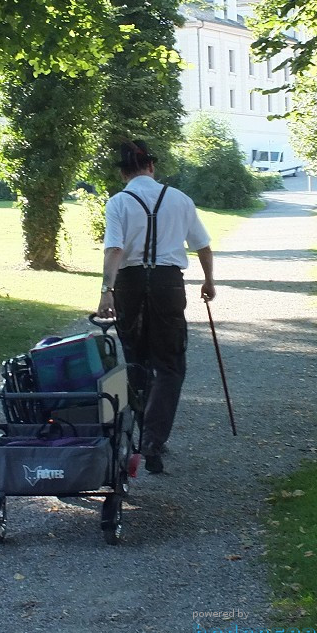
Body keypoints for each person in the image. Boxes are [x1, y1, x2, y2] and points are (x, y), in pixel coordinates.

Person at [95, 140, 215, 474]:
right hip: (167, 284)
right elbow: (203, 246)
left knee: (136, 360)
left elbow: (115, 249)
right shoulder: (179, 199)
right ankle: (153, 441)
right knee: (170, 365)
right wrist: (208, 281)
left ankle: (133, 435)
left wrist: (107, 291)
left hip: (130, 286)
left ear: (123, 173)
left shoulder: (118, 202)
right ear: (151, 166)